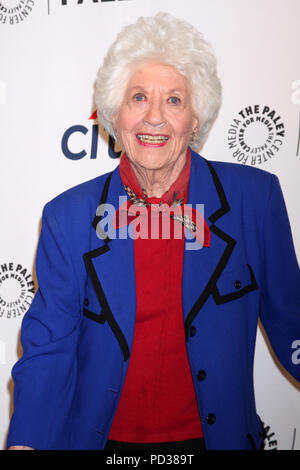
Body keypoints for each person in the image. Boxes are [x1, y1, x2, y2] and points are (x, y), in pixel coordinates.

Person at [7, 13, 300, 451]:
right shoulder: (68, 217)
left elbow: (292, 319)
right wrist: (26, 443)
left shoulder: (253, 201)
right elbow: (49, 347)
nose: (155, 117)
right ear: (114, 115)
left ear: (197, 119)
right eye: (139, 97)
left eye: (175, 100)